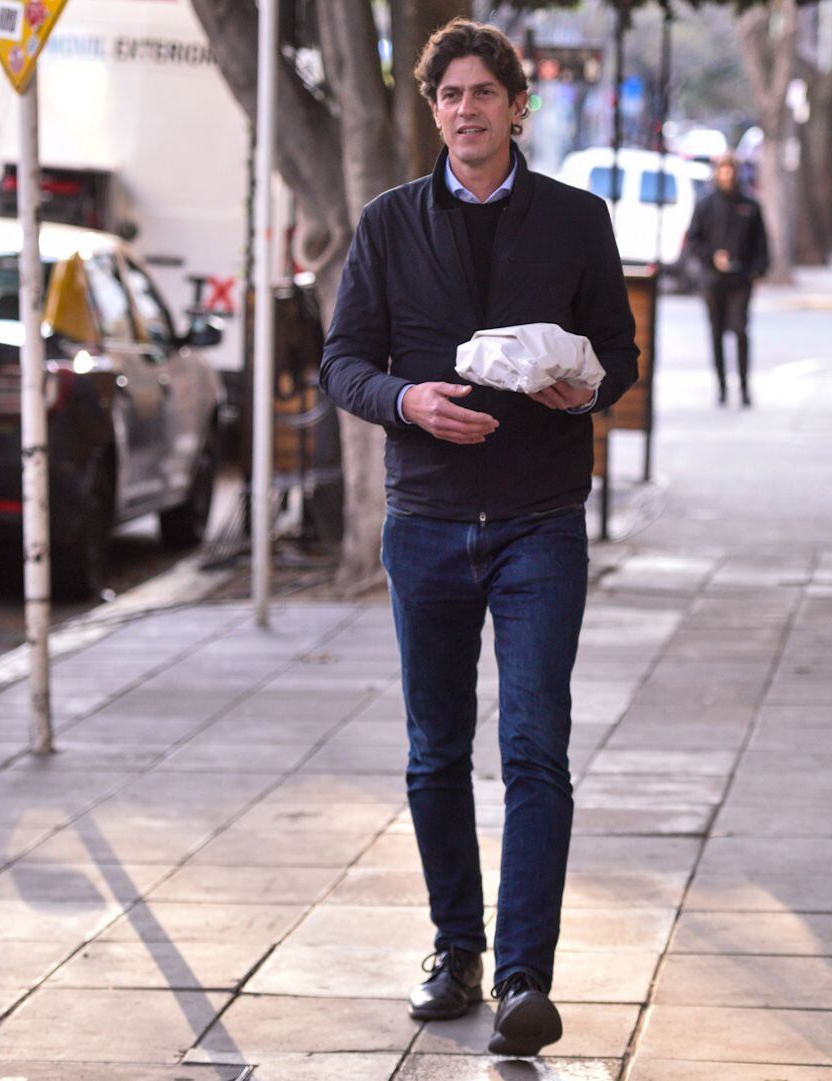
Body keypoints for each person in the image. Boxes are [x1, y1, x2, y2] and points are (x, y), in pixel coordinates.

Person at [317, 18, 639, 1059]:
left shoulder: (576, 220)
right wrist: (408, 400)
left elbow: (620, 362)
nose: (466, 110)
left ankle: (521, 978)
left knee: (535, 749)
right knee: (433, 751)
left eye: (483, 93)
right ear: (434, 111)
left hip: (542, 518)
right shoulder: (388, 223)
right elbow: (342, 362)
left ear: (517, 107)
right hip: (426, 521)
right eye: (448, 95)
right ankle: (456, 949)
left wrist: (581, 383)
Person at [683, 152, 769, 406]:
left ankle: (743, 386)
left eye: (731, 170)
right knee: (716, 333)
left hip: (740, 279)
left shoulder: (750, 205)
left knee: (740, 331)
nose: (727, 175)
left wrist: (756, 270)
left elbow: (761, 244)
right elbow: (694, 241)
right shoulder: (706, 204)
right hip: (713, 280)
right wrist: (712, 258)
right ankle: (721, 386)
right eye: (723, 170)